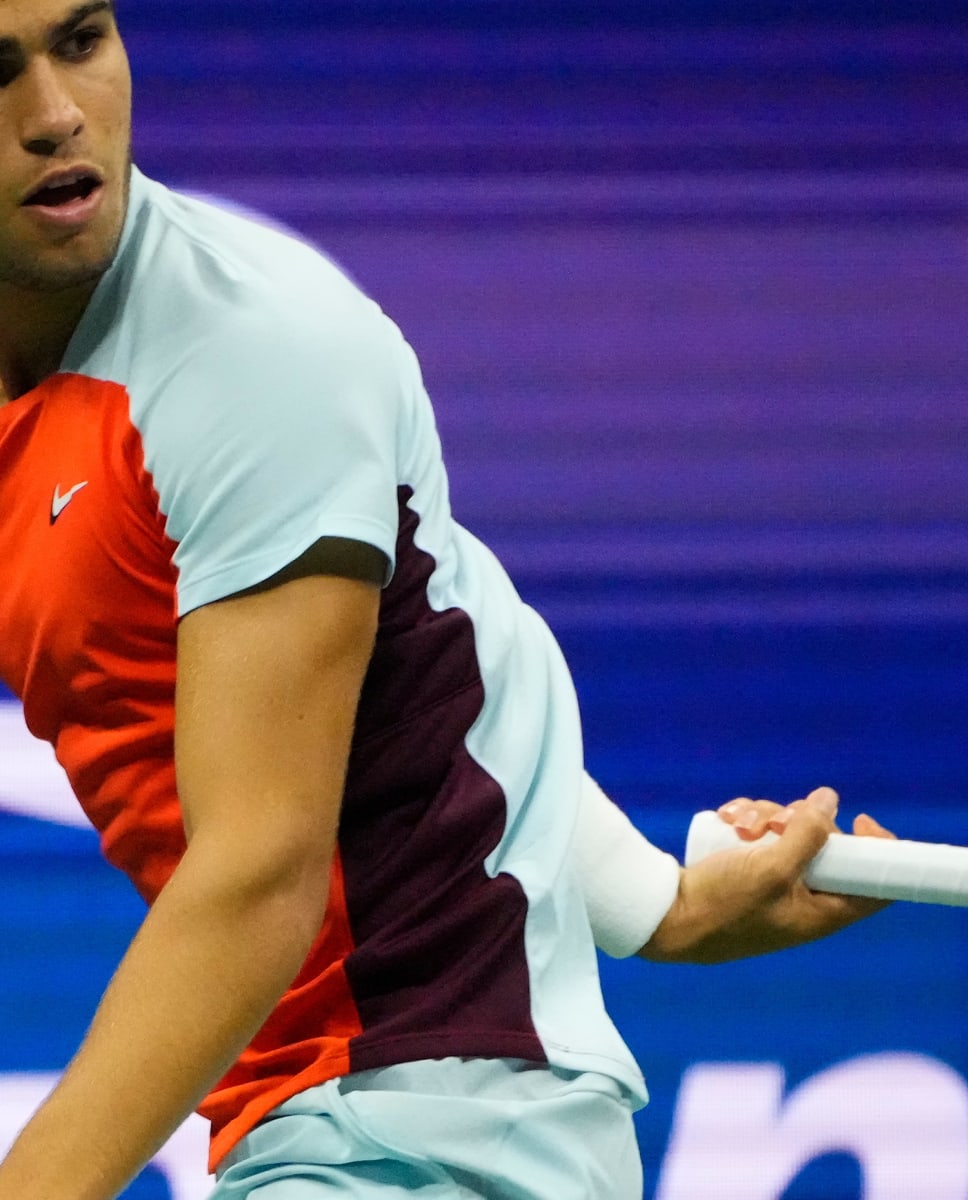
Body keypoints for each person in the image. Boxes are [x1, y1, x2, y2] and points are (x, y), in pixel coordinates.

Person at [0, 3, 893, 1197]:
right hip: (307, 1125)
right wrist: (664, 903)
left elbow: (263, 876)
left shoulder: (253, 356)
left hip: (433, 1125)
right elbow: (430, 662)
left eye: (83, 40)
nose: (56, 115)